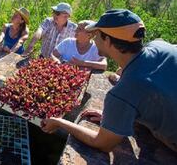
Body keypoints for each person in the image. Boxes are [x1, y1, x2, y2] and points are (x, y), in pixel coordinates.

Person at [41, 9, 177, 153]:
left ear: (107, 40)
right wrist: (115, 116)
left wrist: (59, 122)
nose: (93, 38)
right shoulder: (160, 46)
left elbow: (102, 143)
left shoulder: (124, 91)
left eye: (97, 34)